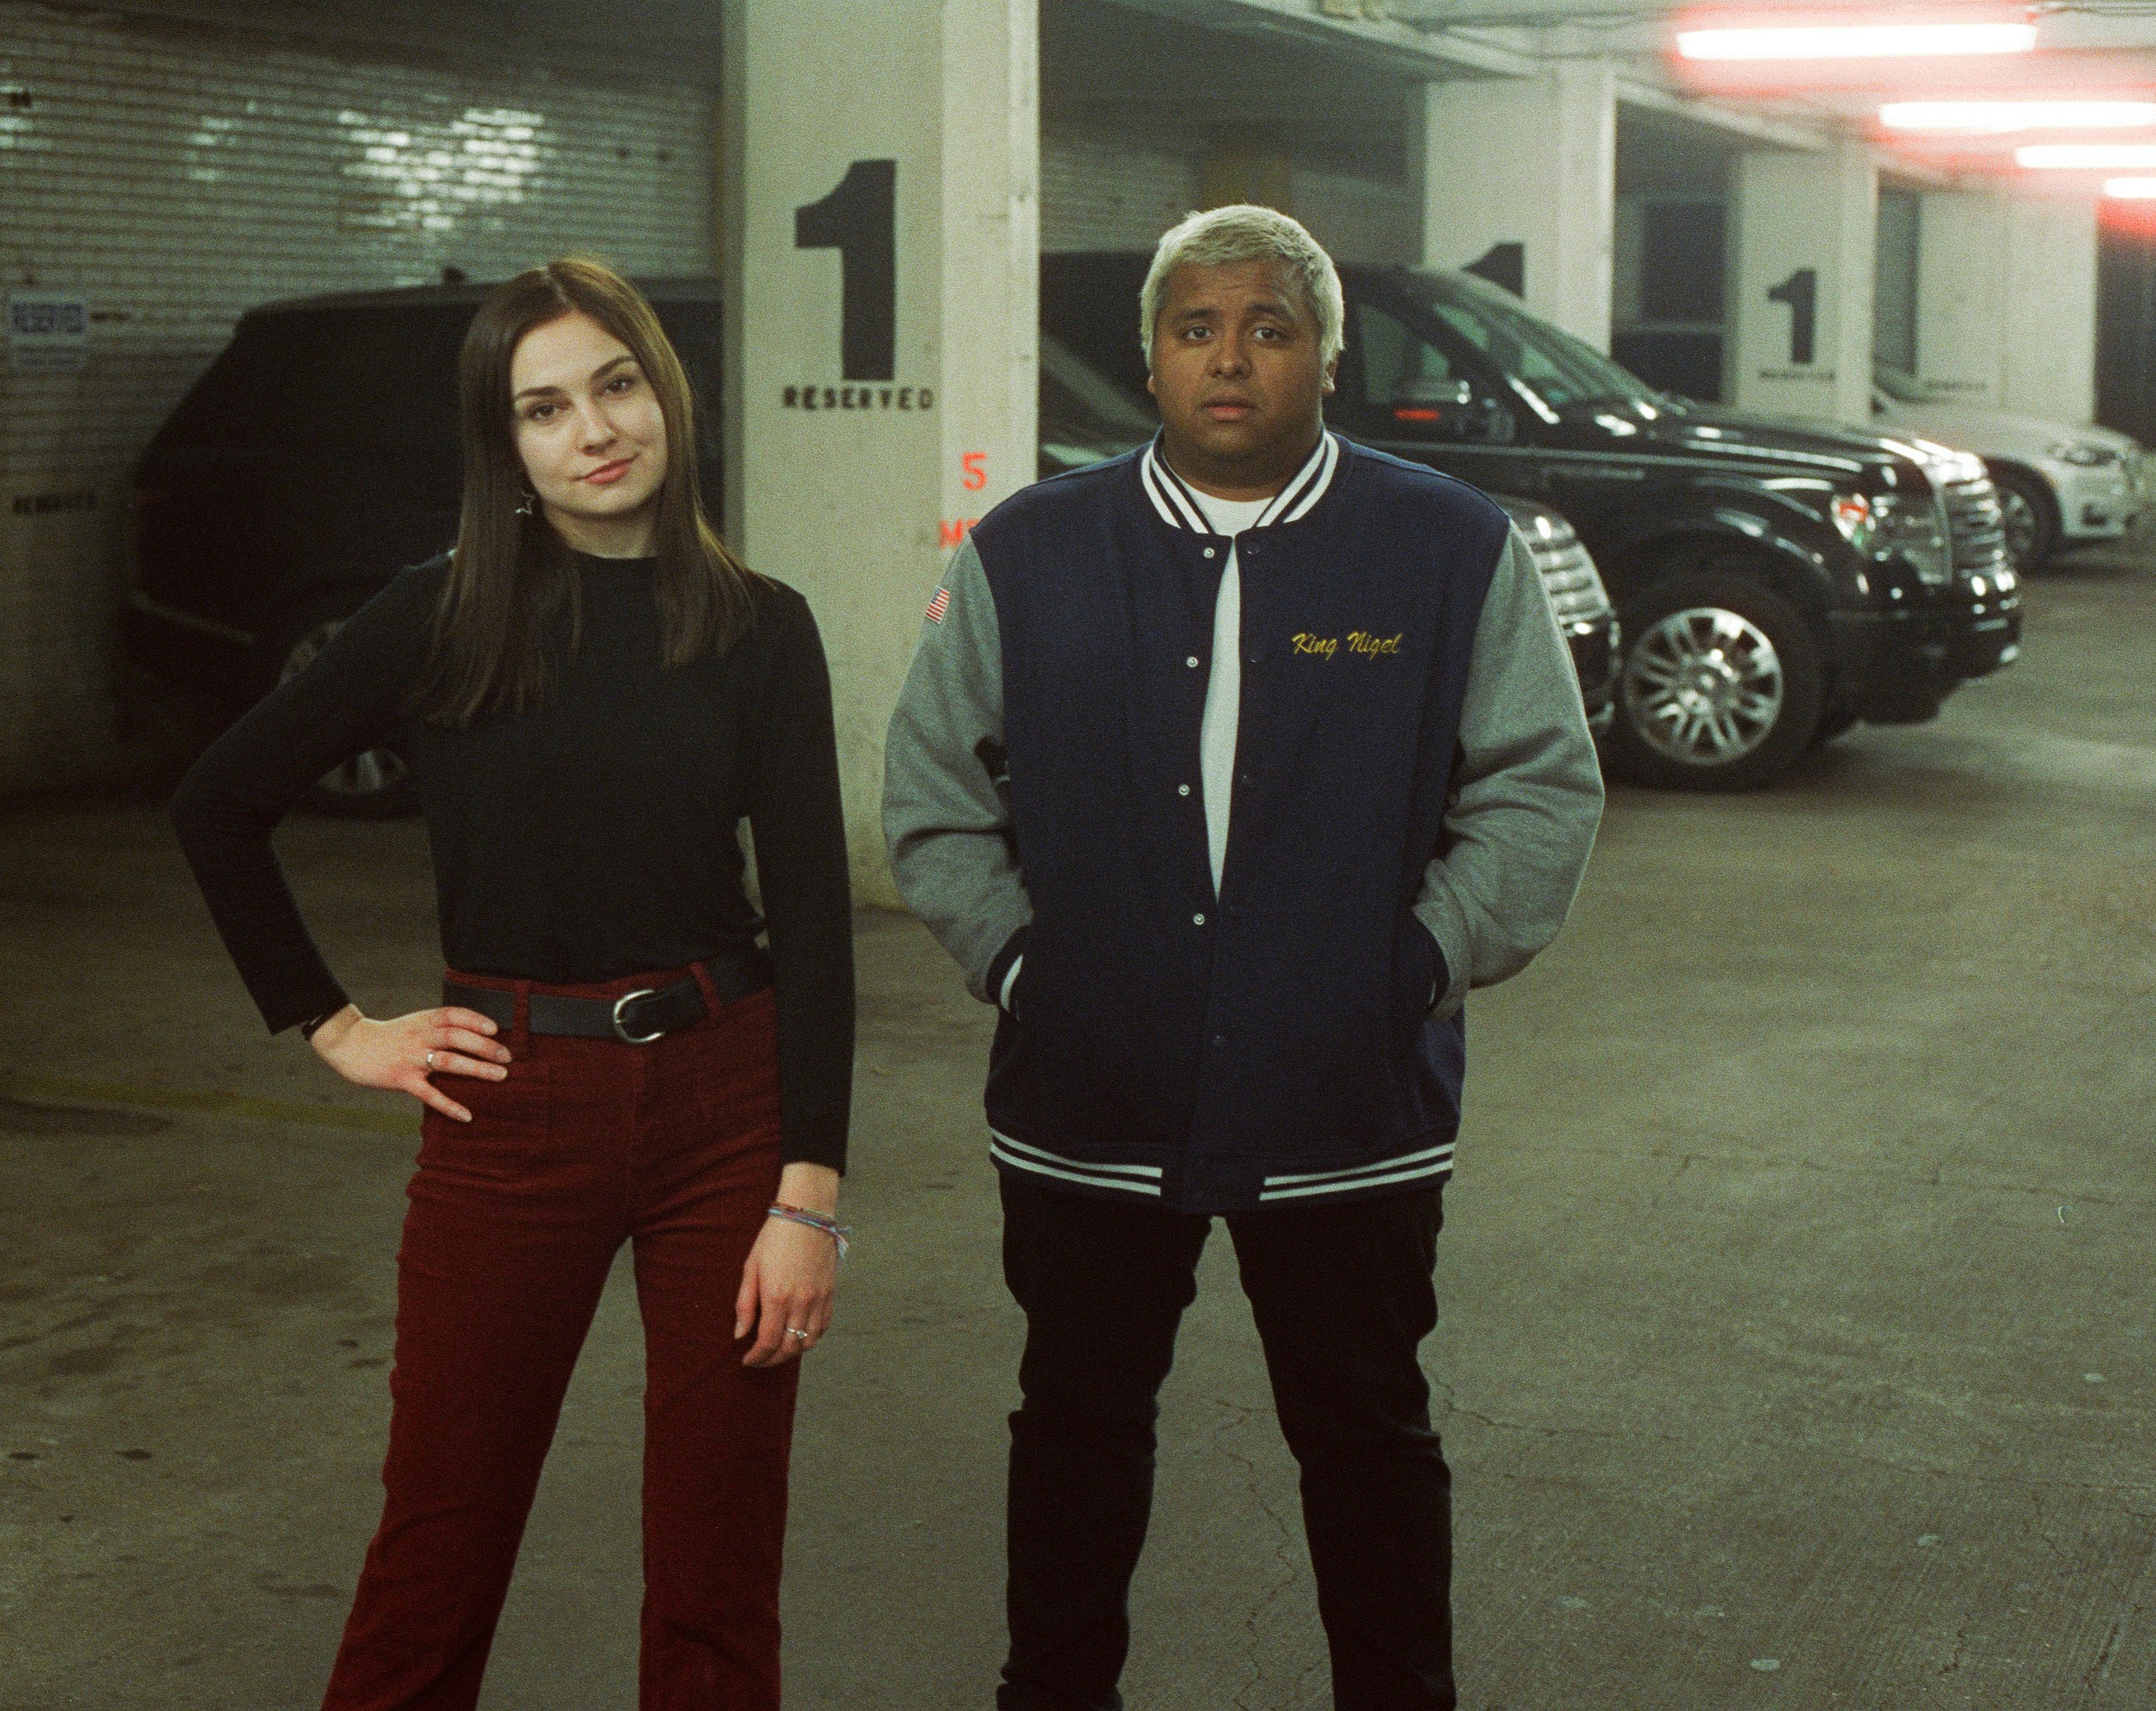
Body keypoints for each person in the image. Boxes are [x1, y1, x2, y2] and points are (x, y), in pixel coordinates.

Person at [883, 204, 1603, 1711]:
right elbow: (935, 797)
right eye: (1194, 328)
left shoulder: (1445, 548)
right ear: (1148, 358)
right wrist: (1025, 972)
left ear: (1325, 359)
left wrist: (1413, 968)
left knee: (1364, 1431)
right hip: (1087, 1098)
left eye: (1269, 330)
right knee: (1076, 1419)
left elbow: (1539, 790)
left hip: (1348, 1106)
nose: (1230, 360)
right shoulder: (1029, 550)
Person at [171, 256, 854, 1711]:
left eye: (614, 385)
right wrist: (336, 1026)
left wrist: (808, 1196)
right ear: (506, 445)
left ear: (663, 391)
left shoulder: (759, 626)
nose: (592, 430)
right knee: (440, 1545)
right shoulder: (439, 614)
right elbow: (218, 803)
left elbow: (810, 924)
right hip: (509, 1109)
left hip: (726, 1105)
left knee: (720, 1568)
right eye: (542, 409)